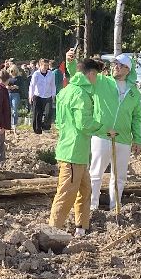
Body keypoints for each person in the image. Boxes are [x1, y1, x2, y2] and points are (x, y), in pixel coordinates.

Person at [50, 58, 103, 236]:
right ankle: (52, 232)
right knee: (66, 194)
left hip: (72, 149)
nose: (96, 80)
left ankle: (82, 227)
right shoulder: (81, 94)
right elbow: (84, 124)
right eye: (96, 75)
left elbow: (58, 121)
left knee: (85, 189)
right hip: (74, 152)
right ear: (90, 74)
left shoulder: (66, 91)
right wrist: (102, 127)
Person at [89, 54, 141, 212]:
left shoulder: (134, 93)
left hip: (124, 139)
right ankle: (92, 206)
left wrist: (137, 139)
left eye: (119, 65)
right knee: (96, 173)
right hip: (102, 135)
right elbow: (81, 75)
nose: (115, 67)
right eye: (114, 64)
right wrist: (71, 62)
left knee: (119, 177)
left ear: (128, 69)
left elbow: (136, 118)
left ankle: (115, 207)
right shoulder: (102, 81)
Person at [29, 58, 58, 134]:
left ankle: (46, 127)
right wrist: (30, 96)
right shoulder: (36, 74)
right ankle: (37, 129)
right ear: (40, 65)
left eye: (47, 65)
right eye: (44, 65)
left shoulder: (51, 74)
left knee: (48, 113)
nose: (46, 67)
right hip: (38, 96)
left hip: (48, 96)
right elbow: (32, 85)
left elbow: (53, 85)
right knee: (37, 113)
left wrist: (53, 95)